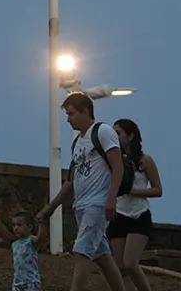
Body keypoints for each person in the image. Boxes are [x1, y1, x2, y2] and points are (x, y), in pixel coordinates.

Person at [36, 92, 127, 291]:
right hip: (82, 206)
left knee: (81, 252)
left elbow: (118, 166)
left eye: (71, 114)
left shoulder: (103, 131)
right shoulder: (77, 143)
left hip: (97, 204)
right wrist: (51, 207)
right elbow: (71, 180)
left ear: (85, 111)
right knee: (103, 258)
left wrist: (111, 199)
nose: (68, 119)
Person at [109, 119, 163, 291]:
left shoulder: (145, 160)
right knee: (120, 267)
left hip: (139, 215)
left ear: (130, 135)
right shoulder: (113, 160)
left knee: (131, 263)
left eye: (118, 133)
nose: (115, 137)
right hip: (118, 214)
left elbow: (157, 190)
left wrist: (132, 191)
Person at [10, 210, 47, 291]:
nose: (16, 228)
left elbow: (40, 239)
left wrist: (42, 224)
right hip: (17, 282)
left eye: (19, 225)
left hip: (31, 281)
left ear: (29, 227)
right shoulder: (14, 244)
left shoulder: (30, 240)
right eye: (14, 225)